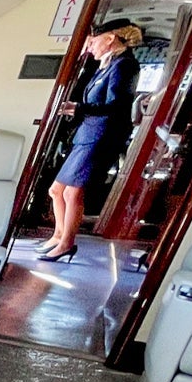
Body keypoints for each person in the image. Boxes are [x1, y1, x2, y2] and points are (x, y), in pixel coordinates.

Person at [40, 17, 144, 263]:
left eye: (93, 42)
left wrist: (78, 108)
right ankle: (58, 235)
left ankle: (66, 244)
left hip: (101, 136)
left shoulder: (125, 66)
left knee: (72, 193)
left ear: (110, 39)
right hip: (87, 135)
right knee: (56, 190)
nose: (90, 48)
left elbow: (116, 106)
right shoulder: (107, 65)